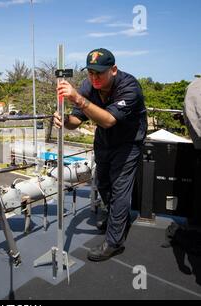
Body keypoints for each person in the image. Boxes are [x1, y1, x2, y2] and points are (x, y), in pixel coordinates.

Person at [54, 48, 148, 261]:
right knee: (103, 184)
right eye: (90, 73)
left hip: (128, 143)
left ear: (113, 70)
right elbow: (77, 119)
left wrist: (78, 98)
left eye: (99, 73)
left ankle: (114, 242)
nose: (94, 78)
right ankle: (117, 217)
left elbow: (108, 120)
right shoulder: (89, 86)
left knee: (120, 188)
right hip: (104, 140)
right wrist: (64, 120)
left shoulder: (129, 87)